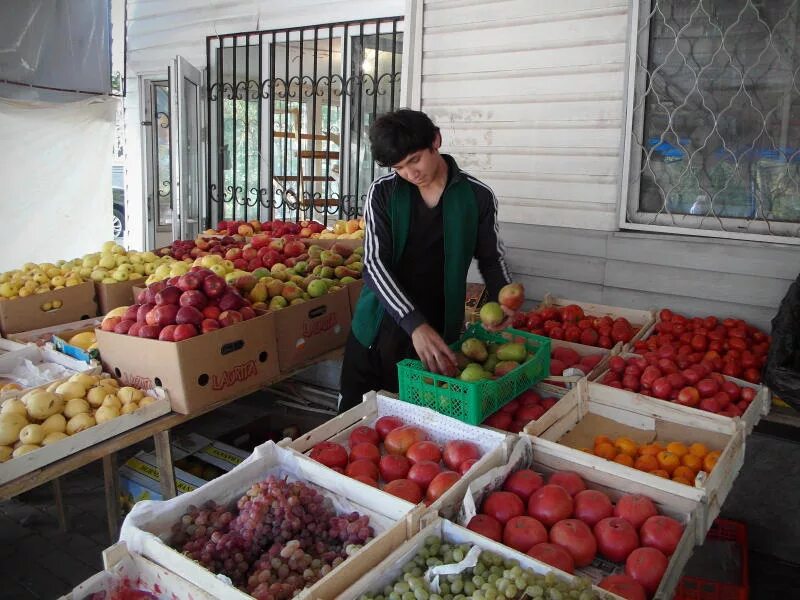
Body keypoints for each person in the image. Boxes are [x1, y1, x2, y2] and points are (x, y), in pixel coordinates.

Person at [338, 109, 514, 413]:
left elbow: (490, 257)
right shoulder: (383, 193)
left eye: (415, 160)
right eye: (400, 167)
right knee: (353, 422)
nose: (410, 173)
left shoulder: (477, 197)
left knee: (418, 426)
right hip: (378, 330)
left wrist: (504, 297)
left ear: (436, 140)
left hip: (437, 332)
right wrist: (414, 324)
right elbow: (374, 264)